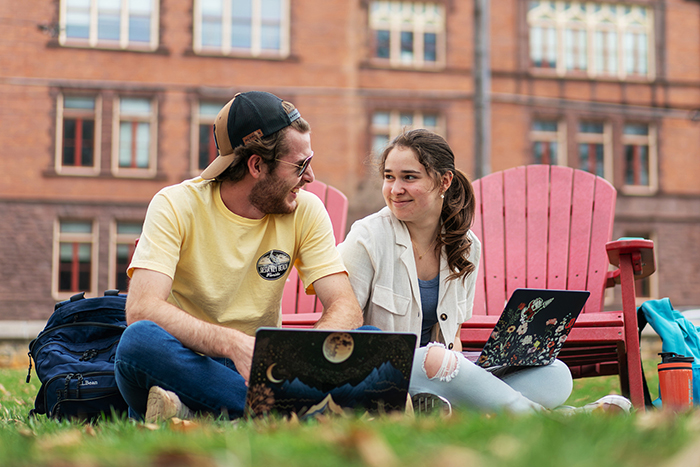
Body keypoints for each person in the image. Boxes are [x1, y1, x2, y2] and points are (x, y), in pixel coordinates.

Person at [338, 129, 630, 414]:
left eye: (409, 177)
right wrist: (443, 365)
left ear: (444, 182)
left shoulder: (465, 246)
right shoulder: (367, 237)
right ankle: (556, 418)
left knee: (555, 373)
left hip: (440, 374)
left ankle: (454, 408)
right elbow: (347, 329)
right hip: (385, 372)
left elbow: (454, 335)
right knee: (436, 357)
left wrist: (483, 369)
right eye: (389, 177)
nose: (395, 189)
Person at [114, 91, 363, 422]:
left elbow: (345, 307)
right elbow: (142, 308)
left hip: (269, 370)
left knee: (368, 338)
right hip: (191, 362)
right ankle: (293, 412)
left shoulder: (306, 208)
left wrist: (305, 358)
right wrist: (232, 344)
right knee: (139, 343)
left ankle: (195, 410)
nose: (310, 177)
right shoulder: (175, 205)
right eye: (300, 165)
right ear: (257, 165)